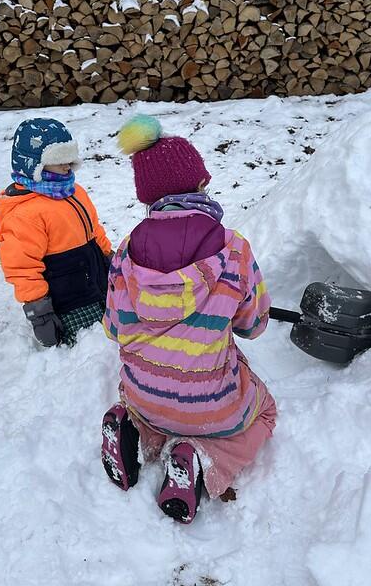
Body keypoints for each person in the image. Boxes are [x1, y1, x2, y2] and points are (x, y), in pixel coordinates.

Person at [101, 115, 276, 524]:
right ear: (198, 185)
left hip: (142, 392)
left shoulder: (126, 251)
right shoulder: (233, 249)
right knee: (264, 410)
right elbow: (254, 325)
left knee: (154, 401)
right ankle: (202, 458)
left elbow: (113, 327)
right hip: (211, 404)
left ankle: (136, 430)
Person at [0, 117, 113, 347]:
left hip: (97, 282)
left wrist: (109, 257)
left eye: (70, 159)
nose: (67, 166)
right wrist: (40, 314)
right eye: (59, 161)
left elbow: (94, 229)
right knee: (92, 344)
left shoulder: (74, 191)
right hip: (68, 299)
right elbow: (22, 268)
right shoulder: (25, 214)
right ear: (34, 165)